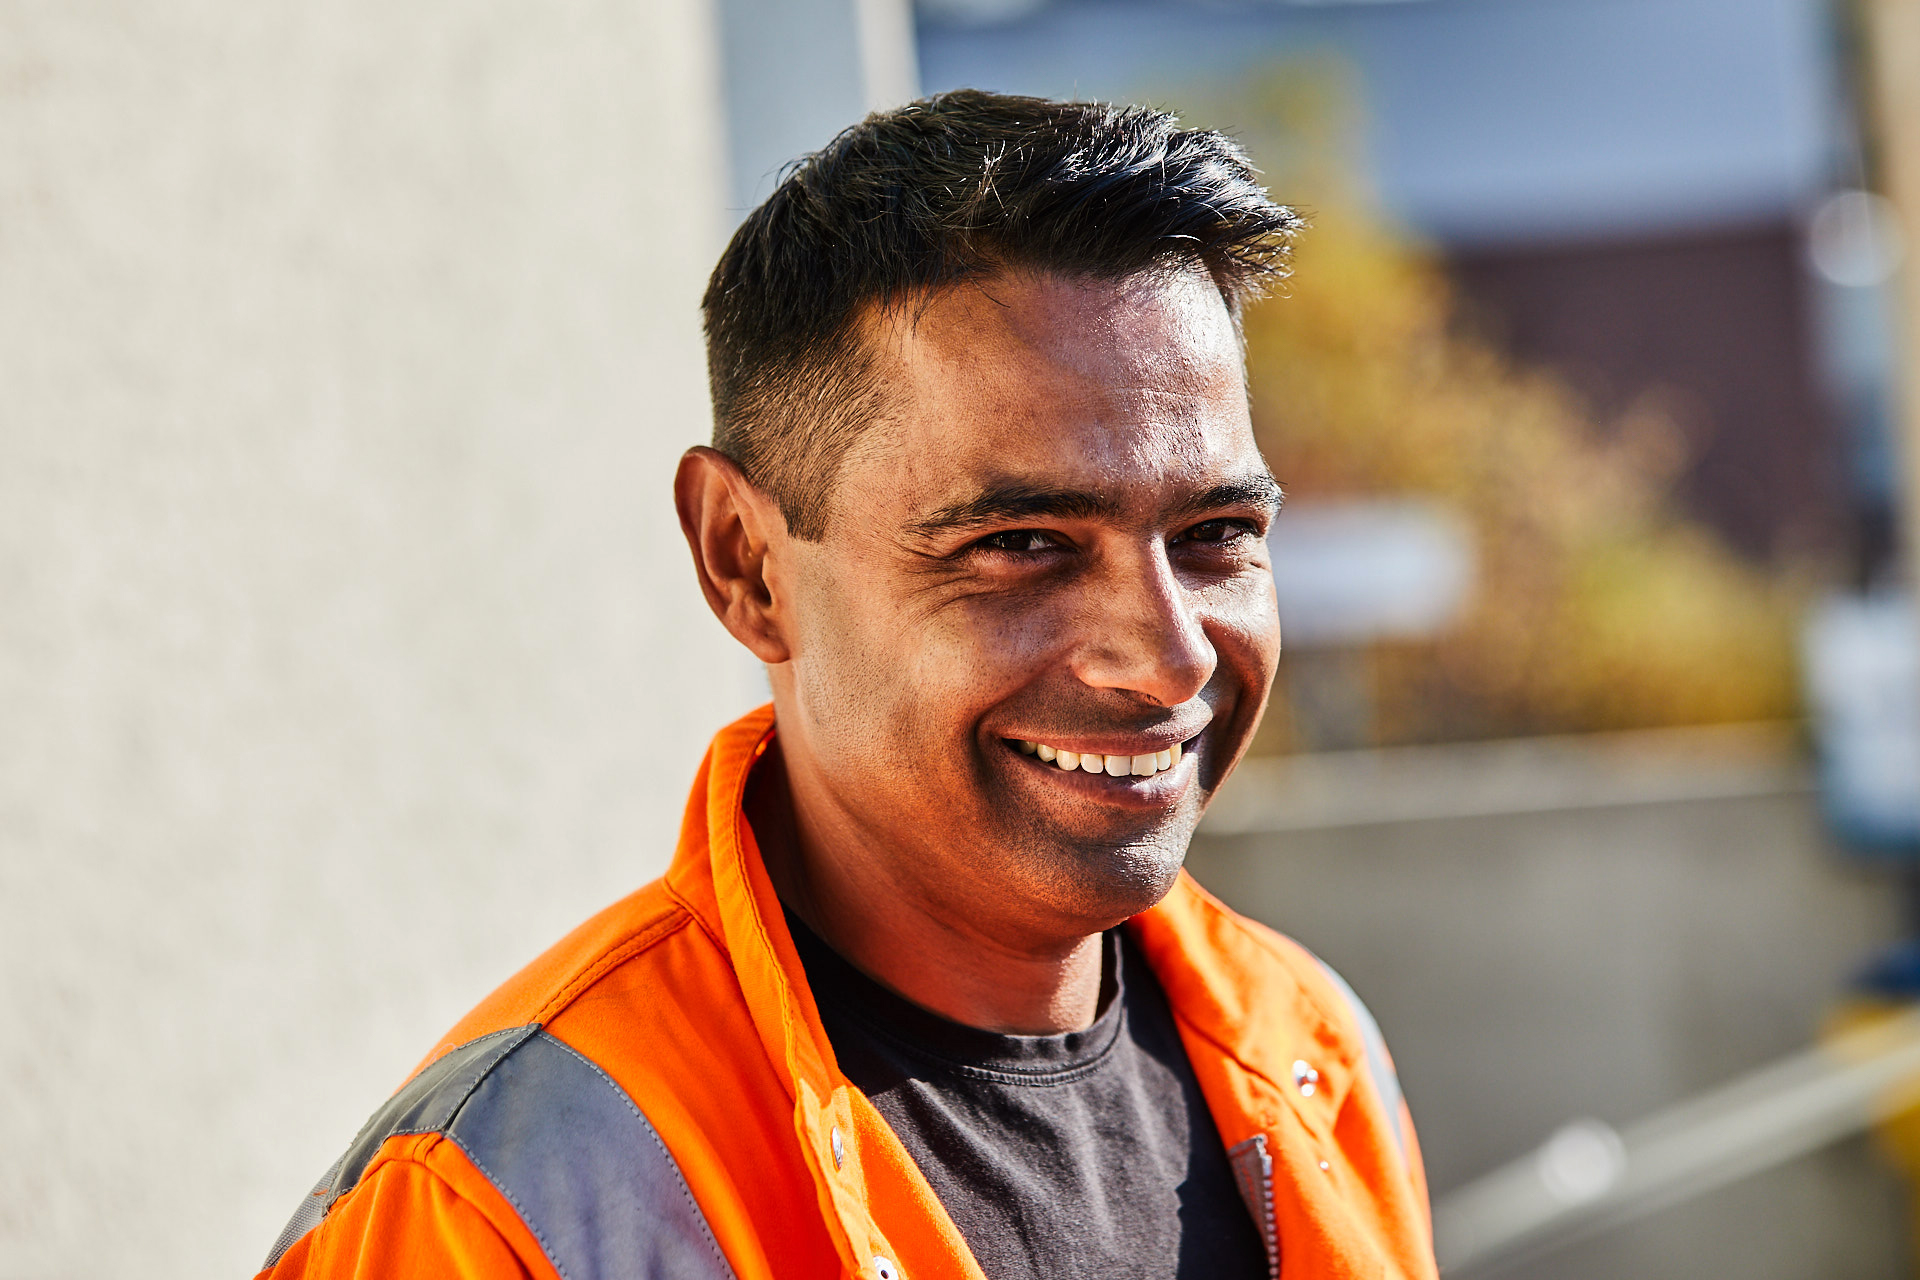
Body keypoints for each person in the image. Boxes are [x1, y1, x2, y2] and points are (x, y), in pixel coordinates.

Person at [256, 89, 1437, 1280]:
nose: (1171, 654)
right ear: (746, 563)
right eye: (1021, 541)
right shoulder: (505, 1210)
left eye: (1217, 531)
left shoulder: (1312, 1058)